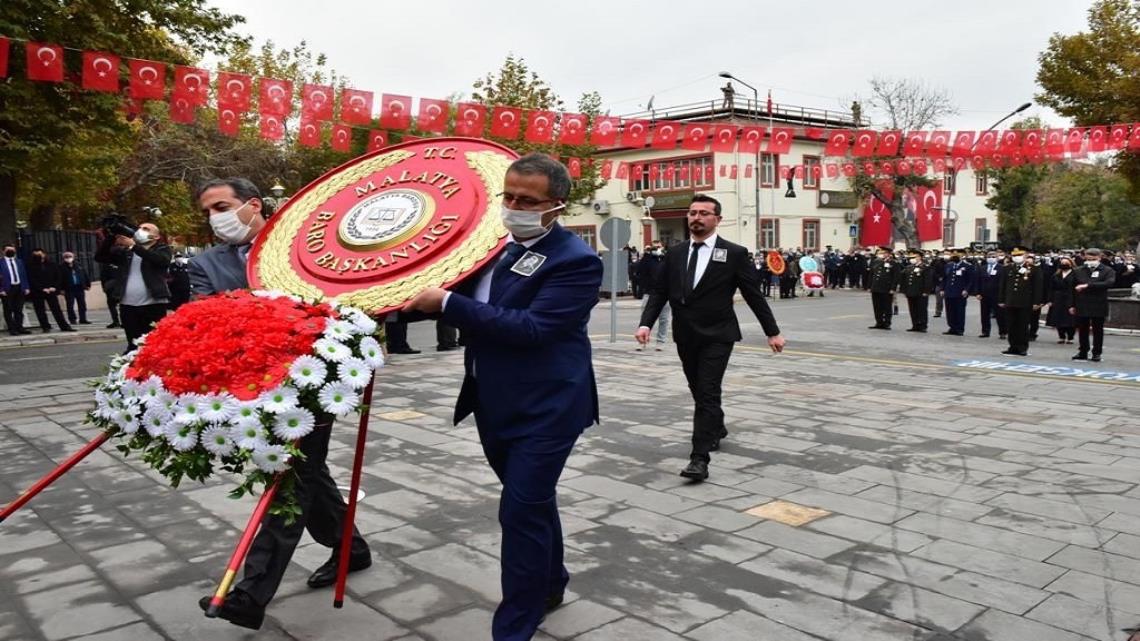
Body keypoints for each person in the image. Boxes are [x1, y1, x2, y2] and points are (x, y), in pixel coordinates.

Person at [403, 154, 603, 641]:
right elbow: (433, 292)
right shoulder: (488, 249)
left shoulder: (576, 260)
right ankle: (550, 581)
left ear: (556, 205)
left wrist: (449, 304)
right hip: (492, 401)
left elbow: (533, 329)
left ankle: (515, 625)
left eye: (527, 201)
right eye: (508, 196)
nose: (514, 207)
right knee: (531, 503)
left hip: (549, 406)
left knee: (518, 511)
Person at [190, 177, 371, 630]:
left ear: (253, 205)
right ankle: (351, 547)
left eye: (223, 206)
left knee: (291, 475)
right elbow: (206, 319)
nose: (216, 217)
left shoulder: (303, 246)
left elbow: (336, 300)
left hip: (310, 381)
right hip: (251, 386)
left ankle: (250, 593)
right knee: (306, 472)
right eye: (208, 210)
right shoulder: (206, 263)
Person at [636, 194, 784, 482]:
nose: (696, 218)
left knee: (706, 391)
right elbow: (659, 292)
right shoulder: (675, 253)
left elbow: (754, 296)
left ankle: (699, 458)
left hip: (718, 334)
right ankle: (715, 425)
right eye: (692, 213)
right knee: (698, 389)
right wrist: (645, 325)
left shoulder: (734, 253)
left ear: (717, 219)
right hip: (686, 334)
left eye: (704, 213)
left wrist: (772, 332)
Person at [95, 223, 171, 352]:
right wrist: (111, 237)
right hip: (128, 306)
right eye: (140, 228)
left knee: (153, 344)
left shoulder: (162, 249)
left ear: (156, 237)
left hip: (153, 305)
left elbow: (160, 260)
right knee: (133, 344)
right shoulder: (126, 253)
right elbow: (100, 257)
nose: (141, 231)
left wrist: (133, 246)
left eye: (146, 229)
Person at [1071, 247, 1115, 362]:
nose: (1090, 261)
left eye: (1093, 259)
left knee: (1097, 330)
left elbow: (1108, 283)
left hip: (1098, 304)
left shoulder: (1107, 270)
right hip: (1082, 303)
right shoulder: (1079, 270)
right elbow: (1072, 288)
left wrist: (1088, 286)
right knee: (1082, 329)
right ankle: (1083, 351)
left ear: (1099, 258)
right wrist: (1072, 305)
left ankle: (1097, 352)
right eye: (1088, 258)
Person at [996, 247, 1043, 357]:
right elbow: (1002, 285)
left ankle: (1022, 347)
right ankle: (1012, 346)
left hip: (1025, 301)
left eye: (1019, 255)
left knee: (1022, 325)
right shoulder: (1007, 268)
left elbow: (1038, 287)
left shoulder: (1034, 269)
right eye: (1014, 256)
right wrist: (1001, 299)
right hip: (1010, 301)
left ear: (1026, 256)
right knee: (1011, 325)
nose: (1017, 258)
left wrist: (1037, 302)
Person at [26, 248, 75, 333]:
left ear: (44, 254)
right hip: (38, 291)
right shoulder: (30, 266)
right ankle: (45, 326)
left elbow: (58, 277)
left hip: (51, 290)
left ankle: (64, 326)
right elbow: (31, 279)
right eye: (36, 255)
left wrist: (54, 287)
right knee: (40, 310)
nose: (38, 256)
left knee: (56, 309)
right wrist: (41, 288)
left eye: (39, 254)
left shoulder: (52, 264)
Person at [636, 243, 669, 351]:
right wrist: (646, 254)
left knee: (663, 320)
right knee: (645, 318)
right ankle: (642, 342)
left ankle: (660, 342)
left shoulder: (665, 259)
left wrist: (664, 255)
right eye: (654, 248)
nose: (656, 249)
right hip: (649, 293)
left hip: (664, 295)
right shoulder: (648, 260)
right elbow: (640, 270)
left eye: (658, 247)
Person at [941, 248, 975, 336]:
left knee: (959, 311)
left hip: (960, 292)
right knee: (950, 311)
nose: (955, 256)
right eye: (953, 254)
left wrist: (966, 290)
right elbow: (945, 278)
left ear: (962, 256)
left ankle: (960, 329)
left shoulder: (967, 266)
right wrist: (942, 289)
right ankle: (952, 327)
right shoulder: (948, 265)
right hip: (949, 291)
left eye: (957, 254)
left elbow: (970, 280)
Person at [974, 250, 1006, 339]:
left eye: (993, 257)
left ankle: (1002, 332)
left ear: (997, 258)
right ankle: (985, 331)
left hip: (997, 295)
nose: (991, 258)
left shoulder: (1002, 268)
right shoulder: (982, 268)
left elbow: (1003, 283)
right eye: (989, 257)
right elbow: (978, 281)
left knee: (1000, 315)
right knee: (984, 314)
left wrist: (1002, 295)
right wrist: (977, 293)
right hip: (984, 295)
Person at [1046, 255, 1077, 344]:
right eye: (1062, 263)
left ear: (1071, 264)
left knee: (1070, 319)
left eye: (1066, 263)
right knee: (1058, 318)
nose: (1064, 265)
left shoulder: (1075, 274)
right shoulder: (1056, 275)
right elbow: (1051, 288)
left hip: (1070, 297)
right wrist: (1050, 300)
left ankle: (1070, 337)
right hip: (1057, 298)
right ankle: (1061, 336)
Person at [1, 244, 31, 336]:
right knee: (8, 310)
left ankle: (20, 327)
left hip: (19, 287)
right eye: (8, 250)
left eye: (12, 250)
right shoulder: (0, 263)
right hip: (7, 289)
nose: (11, 252)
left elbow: (23, 275)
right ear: (3, 251)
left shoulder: (19, 261)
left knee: (19, 309)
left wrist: (26, 287)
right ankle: (12, 329)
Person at [900, 249, 933, 332]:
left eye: (914, 257)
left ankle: (922, 325)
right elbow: (904, 279)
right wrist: (904, 290)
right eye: (911, 257)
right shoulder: (909, 267)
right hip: (910, 291)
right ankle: (915, 325)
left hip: (921, 292)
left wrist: (926, 291)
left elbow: (928, 280)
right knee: (913, 309)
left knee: (921, 309)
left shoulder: (925, 267)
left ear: (920, 257)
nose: (912, 259)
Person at [868, 246, 899, 330]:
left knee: (887, 306)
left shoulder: (893, 263)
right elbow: (871, 274)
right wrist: (870, 286)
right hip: (876, 287)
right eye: (881, 253)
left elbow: (895, 277)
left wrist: (893, 288)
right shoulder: (876, 262)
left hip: (886, 288)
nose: (882, 254)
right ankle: (879, 322)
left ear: (888, 254)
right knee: (877, 306)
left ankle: (887, 323)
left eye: (884, 253)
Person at [60, 251, 92, 325]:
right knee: (70, 305)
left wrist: (88, 284)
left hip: (79, 287)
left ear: (73, 257)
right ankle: (72, 319)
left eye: (70, 256)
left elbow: (85, 274)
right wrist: (61, 289)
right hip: (69, 288)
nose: (68, 258)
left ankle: (83, 319)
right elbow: (59, 279)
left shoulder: (78, 265)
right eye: (66, 257)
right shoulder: (61, 267)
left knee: (82, 304)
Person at [99, 261, 122, 329]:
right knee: (121, 305)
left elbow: (103, 277)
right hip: (119, 286)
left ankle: (116, 321)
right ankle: (121, 322)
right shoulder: (121, 262)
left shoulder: (106, 264)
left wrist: (104, 287)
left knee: (112, 305)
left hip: (111, 287)